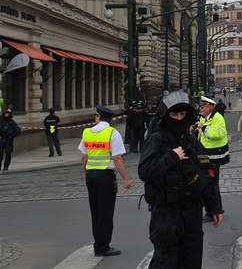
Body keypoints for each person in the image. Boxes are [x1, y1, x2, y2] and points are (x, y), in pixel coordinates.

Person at [138, 91, 223, 268]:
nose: (178, 118)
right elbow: (145, 171)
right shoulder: (156, 141)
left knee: (191, 260)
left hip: (192, 212)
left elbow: (208, 174)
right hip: (166, 215)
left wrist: (214, 206)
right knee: (165, 262)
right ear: (166, 116)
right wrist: (171, 157)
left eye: (182, 114)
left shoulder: (191, 142)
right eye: (174, 114)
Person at [78, 105, 132, 256]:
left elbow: (84, 156)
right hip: (105, 177)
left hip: (91, 176)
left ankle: (98, 243)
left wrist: (86, 173)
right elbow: (117, 158)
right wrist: (126, 179)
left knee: (95, 211)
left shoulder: (87, 132)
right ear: (110, 118)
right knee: (106, 212)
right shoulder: (112, 133)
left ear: (98, 117)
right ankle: (103, 246)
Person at [196, 96, 229, 212]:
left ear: (209, 107)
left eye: (203, 106)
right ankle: (212, 209)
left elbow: (218, 134)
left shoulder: (217, 117)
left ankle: (215, 210)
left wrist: (203, 127)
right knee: (207, 184)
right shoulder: (204, 117)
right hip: (205, 156)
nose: (200, 108)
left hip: (215, 156)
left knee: (212, 185)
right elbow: (201, 135)